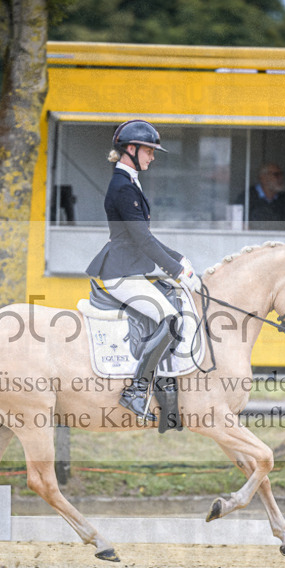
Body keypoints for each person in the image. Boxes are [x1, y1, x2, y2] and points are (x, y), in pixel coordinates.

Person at [85, 119, 202, 423]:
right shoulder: (123, 187)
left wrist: (180, 259)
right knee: (171, 319)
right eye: (149, 151)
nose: (153, 156)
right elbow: (141, 239)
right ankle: (137, 391)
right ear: (131, 149)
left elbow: (145, 237)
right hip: (121, 273)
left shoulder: (130, 181)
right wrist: (176, 270)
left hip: (130, 267)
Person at [246, 162, 285, 230]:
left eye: (281, 174)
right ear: (263, 178)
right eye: (276, 174)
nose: (280, 178)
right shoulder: (247, 197)